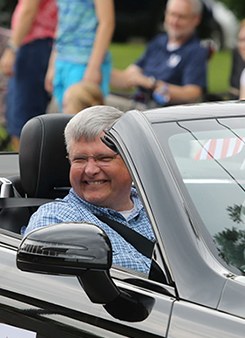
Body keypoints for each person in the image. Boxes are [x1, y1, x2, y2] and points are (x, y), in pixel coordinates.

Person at [24, 106, 155, 274]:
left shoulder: (162, 207)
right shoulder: (56, 219)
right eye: (79, 159)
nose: (90, 170)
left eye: (104, 158)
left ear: (132, 159)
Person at [109, 0, 208, 108]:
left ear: (196, 19)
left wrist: (152, 84)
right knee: (87, 93)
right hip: (135, 104)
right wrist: (95, 69)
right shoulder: (158, 42)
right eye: (171, 14)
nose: (174, 21)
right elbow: (128, 77)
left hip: (157, 112)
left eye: (181, 17)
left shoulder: (196, 51)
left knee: (92, 102)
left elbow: (193, 94)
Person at [0, 0, 57, 150]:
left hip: (33, 44)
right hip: (41, 44)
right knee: (25, 115)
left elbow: (29, 9)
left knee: (23, 120)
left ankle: (27, 171)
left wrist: (12, 48)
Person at [46, 0, 115, 112]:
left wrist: (93, 67)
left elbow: (107, 22)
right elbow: (62, 20)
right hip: (62, 58)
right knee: (63, 123)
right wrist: (52, 64)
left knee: (81, 125)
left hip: (84, 61)